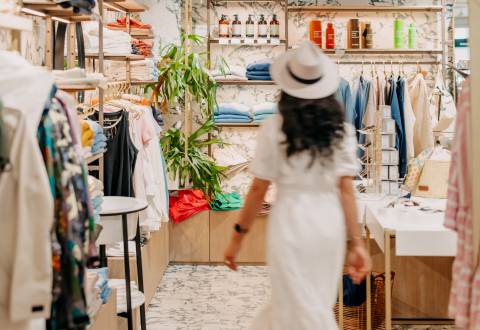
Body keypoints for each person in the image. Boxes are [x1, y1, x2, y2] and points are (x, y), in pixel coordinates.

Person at [223, 41, 372, 329]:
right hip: (328, 225)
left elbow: (257, 190)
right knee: (316, 304)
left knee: (291, 303)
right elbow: (346, 191)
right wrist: (357, 243)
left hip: (290, 222)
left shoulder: (274, 129)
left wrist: (237, 238)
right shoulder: (342, 131)